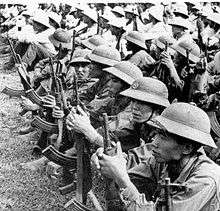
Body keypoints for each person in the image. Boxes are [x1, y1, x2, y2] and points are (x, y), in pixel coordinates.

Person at [92, 102, 220, 211]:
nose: (154, 143)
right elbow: (130, 174)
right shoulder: (163, 161)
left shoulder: (205, 179)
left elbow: (124, 179)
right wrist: (111, 160)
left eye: (163, 137)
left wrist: (122, 179)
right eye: (157, 134)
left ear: (187, 148)